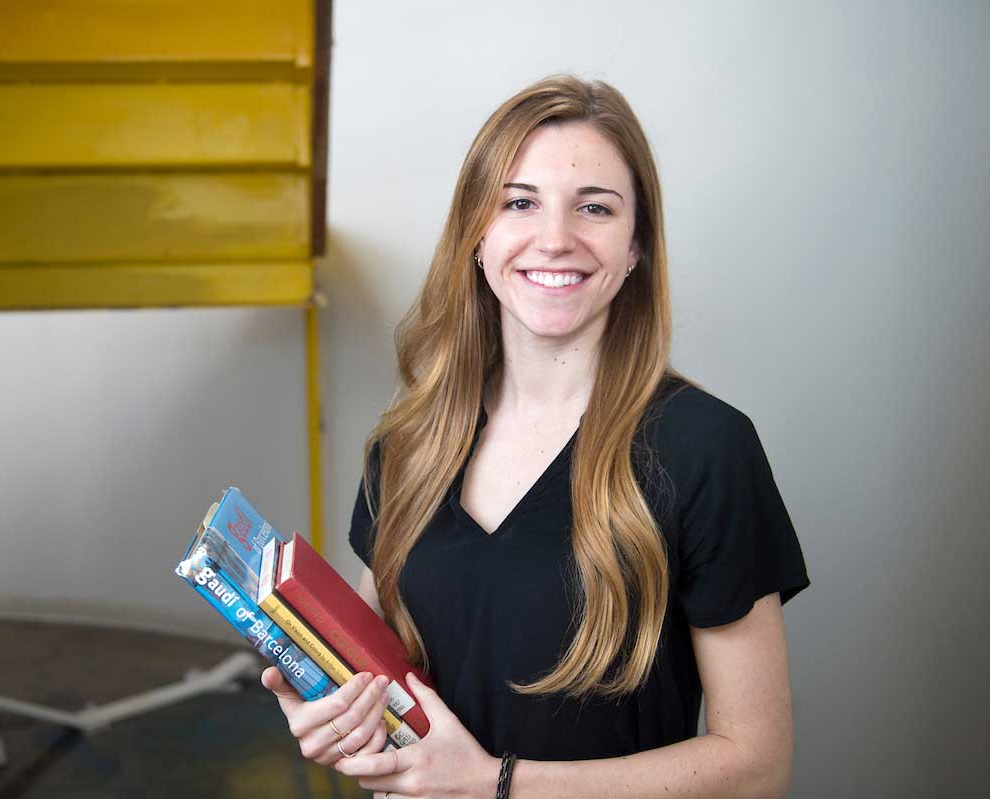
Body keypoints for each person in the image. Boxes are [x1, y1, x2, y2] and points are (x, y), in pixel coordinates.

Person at [261, 75, 809, 799]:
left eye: (595, 208)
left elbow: (757, 763)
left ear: (638, 241)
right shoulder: (408, 446)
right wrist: (335, 713)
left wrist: (497, 783)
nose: (556, 238)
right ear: (477, 235)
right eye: (519, 202)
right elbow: (383, 681)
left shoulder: (707, 449)